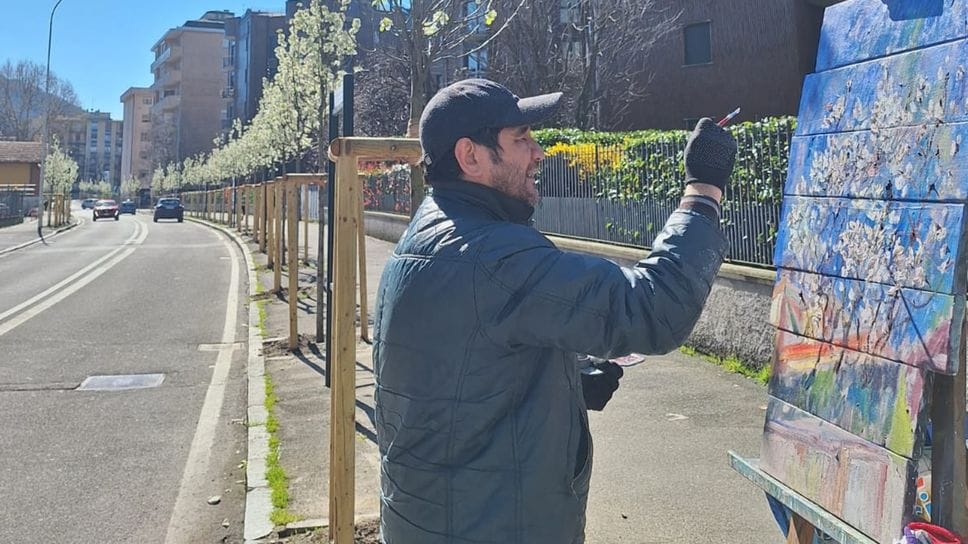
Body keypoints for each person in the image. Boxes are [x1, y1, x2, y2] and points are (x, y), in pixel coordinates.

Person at [372, 78, 736, 544]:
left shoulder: (423, 237)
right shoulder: (493, 254)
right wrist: (703, 191)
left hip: (433, 519)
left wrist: (562, 383)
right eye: (521, 138)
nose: (538, 152)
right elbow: (653, 308)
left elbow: (453, 374)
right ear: (470, 156)